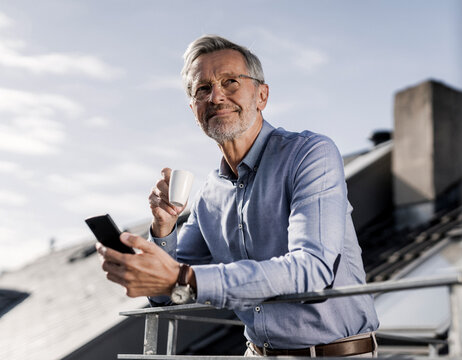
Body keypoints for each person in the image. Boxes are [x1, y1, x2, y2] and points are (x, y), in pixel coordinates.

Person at [97, 34, 379, 357]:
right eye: (202, 89)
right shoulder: (209, 197)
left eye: (230, 82)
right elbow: (164, 293)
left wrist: (186, 277)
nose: (216, 96)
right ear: (194, 109)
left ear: (262, 95)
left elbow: (311, 271)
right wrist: (163, 227)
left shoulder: (310, 155)